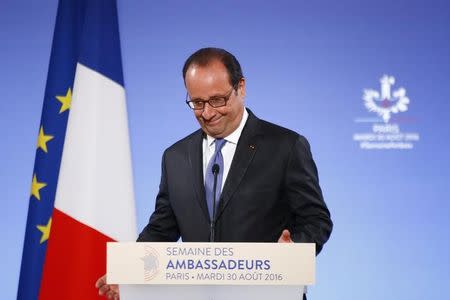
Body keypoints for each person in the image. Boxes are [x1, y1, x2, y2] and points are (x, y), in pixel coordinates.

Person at [96, 47, 332, 299]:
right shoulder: (175, 156)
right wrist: (129, 273)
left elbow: (316, 220)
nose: (207, 113)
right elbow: (162, 228)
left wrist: (293, 250)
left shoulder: (285, 146)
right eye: (197, 103)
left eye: (217, 100)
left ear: (241, 87)